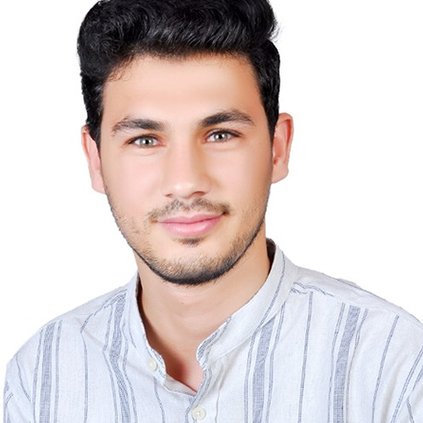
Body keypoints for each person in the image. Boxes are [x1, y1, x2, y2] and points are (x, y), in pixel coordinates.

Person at [4, 0, 423, 421]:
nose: (185, 181)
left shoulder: (394, 365)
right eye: (145, 140)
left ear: (277, 148)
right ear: (96, 160)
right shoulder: (42, 376)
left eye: (221, 134)